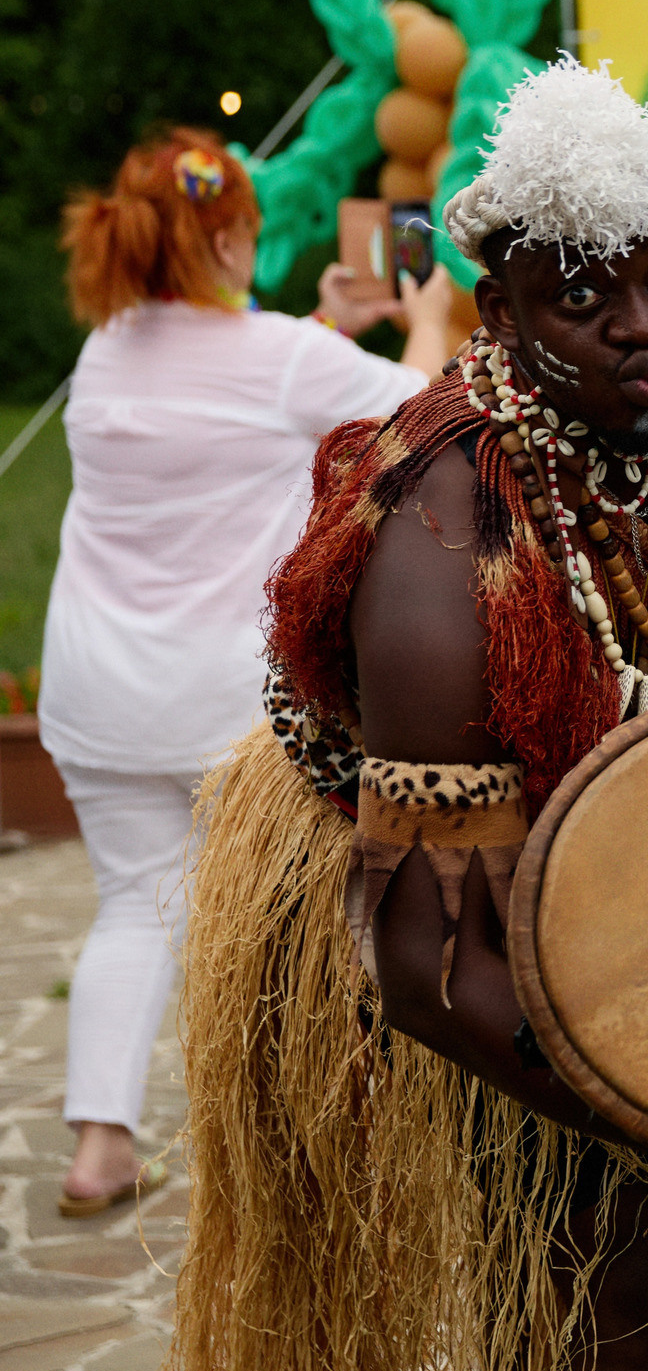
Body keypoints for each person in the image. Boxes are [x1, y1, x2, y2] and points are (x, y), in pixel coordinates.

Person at [172, 60, 648, 1371]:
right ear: (504, 309)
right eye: (582, 297)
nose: (642, 325)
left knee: (637, 1307)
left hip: (621, 830)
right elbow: (424, 958)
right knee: (618, 1285)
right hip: (430, 881)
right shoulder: (440, 525)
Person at [42, 129, 446, 1220]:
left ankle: (99, 1148)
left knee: (133, 905)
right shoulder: (281, 357)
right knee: (295, 930)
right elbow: (426, 406)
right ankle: (305, 1158)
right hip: (227, 707)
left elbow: (230, 398)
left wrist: (321, 325)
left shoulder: (108, 350)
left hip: (96, 688)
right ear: (226, 236)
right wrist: (423, 318)